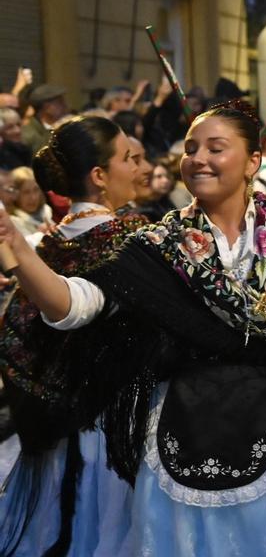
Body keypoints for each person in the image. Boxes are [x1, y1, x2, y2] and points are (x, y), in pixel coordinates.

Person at [0, 101, 266, 556]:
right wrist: (19, 251)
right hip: (182, 419)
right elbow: (75, 304)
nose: (198, 159)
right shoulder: (157, 244)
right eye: (191, 148)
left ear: (254, 160)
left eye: (216, 147)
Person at [0, 116, 143, 555]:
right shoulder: (131, 240)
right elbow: (73, 308)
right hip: (113, 434)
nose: (139, 167)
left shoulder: (51, 243)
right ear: (99, 176)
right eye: (128, 158)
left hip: (57, 436)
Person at [21, 86, 68, 155]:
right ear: (47, 107)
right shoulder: (27, 135)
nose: (65, 106)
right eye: (60, 102)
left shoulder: (63, 128)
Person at [8, 167, 53, 240]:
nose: (33, 197)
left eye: (36, 190)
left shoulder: (47, 210)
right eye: (26, 192)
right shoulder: (13, 222)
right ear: (15, 195)